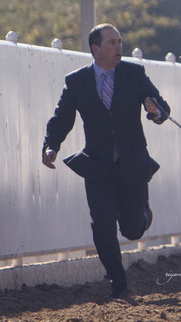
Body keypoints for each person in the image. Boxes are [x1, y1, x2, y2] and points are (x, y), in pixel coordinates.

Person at [42, 23, 170, 302]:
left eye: (120, 42)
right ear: (95, 49)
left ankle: (143, 215)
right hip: (98, 166)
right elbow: (61, 118)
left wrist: (154, 110)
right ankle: (118, 282)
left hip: (133, 164)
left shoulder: (134, 73)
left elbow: (162, 107)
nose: (118, 47)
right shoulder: (77, 81)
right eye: (112, 43)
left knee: (132, 229)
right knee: (101, 223)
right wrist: (51, 146)